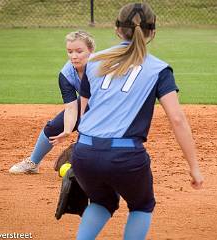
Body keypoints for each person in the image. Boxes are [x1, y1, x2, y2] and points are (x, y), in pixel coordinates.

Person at [71, 3, 204, 240]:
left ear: (117, 30)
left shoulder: (94, 61)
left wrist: (82, 152)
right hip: (125, 157)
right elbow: (177, 118)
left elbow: (83, 112)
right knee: (141, 205)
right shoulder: (159, 69)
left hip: (84, 152)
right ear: (152, 32)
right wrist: (194, 166)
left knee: (101, 201)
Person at [9, 30, 95, 174]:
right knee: (54, 127)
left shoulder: (101, 67)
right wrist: (67, 130)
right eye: (70, 51)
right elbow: (71, 108)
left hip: (109, 105)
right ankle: (33, 163)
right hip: (86, 102)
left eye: (79, 51)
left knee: (91, 132)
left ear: (90, 50)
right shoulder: (66, 74)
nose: (74, 56)